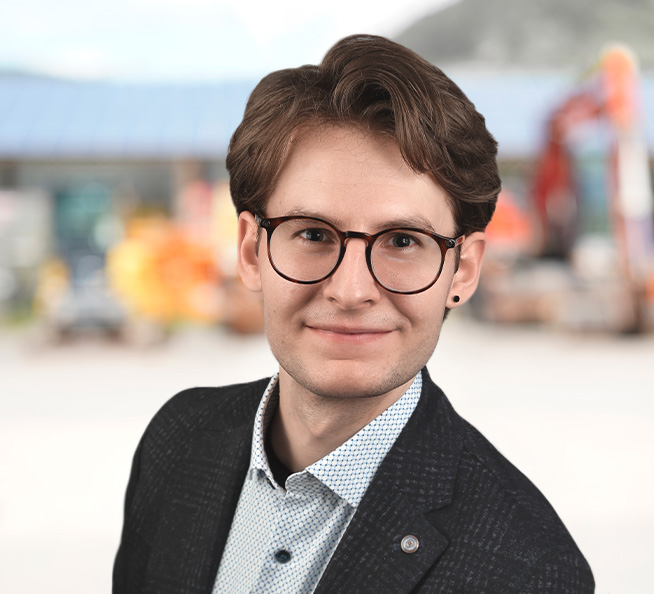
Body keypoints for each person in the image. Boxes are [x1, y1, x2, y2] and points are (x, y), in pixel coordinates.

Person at [113, 34, 594, 594]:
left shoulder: (529, 568)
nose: (350, 291)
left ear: (462, 271)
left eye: (403, 241)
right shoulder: (176, 439)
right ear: (250, 251)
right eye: (313, 234)